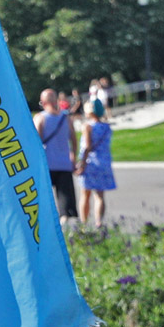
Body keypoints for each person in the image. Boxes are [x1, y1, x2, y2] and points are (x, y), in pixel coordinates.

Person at [35, 88, 82, 224]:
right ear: (56, 101)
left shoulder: (40, 118)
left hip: (46, 165)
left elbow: (36, 141)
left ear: (43, 102)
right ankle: (65, 226)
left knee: (43, 200)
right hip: (64, 164)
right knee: (65, 203)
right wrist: (73, 157)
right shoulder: (65, 118)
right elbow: (73, 139)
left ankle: (47, 226)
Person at [80, 100, 116, 228]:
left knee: (85, 193)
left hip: (91, 163)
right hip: (104, 162)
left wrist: (82, 164)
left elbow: (87, 146)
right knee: (99, 195)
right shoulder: (106, 127)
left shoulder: (87, 126)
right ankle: (99, 222)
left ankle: (84, 223)